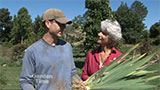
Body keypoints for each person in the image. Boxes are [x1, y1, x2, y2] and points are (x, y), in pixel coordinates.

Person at [19, 8, 82, 90]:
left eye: (64, 24)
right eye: (60, 24)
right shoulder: (33, 51)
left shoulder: (67, 47)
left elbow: (72, 73)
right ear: (48, 23)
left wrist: (82, 85)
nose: (64, 27)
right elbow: (25, 81)